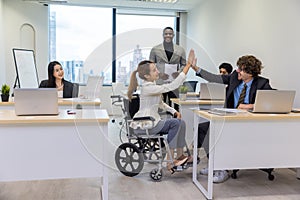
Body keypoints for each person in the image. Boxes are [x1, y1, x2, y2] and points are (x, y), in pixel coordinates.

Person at [191, 55, 273, 183]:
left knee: (221, 135)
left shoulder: (262, 83)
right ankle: (214, 163)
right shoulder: (234, 77)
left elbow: (271, 102)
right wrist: (195, 68)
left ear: (250, 73)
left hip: (249, 123)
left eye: (241, 69)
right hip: (230, 119)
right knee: (202, 129)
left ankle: (223, 169)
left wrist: (249, 106)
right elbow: (215, 77)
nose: (238, 71)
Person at [128, 49, 195, 172]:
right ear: (147, 76)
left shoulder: (152, 87)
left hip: (152, 122)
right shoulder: (147, 88)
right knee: (175, 123)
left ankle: (179, 155)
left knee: (181, 122)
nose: (158, 71)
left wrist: (173, 111)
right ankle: (169, 161)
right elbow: (172, 86)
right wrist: (188, 66)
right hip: (146, 124)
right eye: (154, 70)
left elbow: (161, 104)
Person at [149, 27, 186, 111]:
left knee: (176, 105)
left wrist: (179, 72)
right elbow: (150, 65)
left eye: (170, 34)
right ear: (163, 35)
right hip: (160, 81)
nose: (168, 35)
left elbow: (184, 64)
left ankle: (176, 122)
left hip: (175, 81)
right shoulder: (155, 49)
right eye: (166, 34)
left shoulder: (180, 50)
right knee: (159, 104)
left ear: (173, 35)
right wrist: (159, 74)